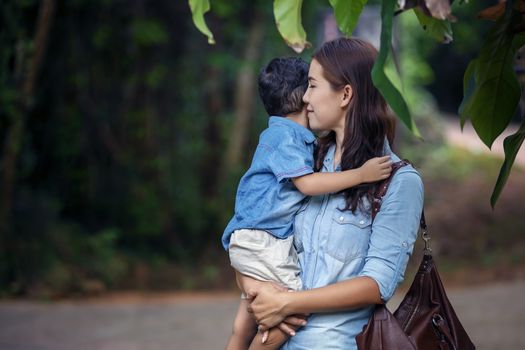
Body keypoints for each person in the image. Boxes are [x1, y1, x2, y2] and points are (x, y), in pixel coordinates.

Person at [246, 38, 424, 349]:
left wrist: (288, 303)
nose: (304, 97)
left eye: (312, 85)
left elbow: (377, 285)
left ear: (345, 94)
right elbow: (260, 234)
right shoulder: (305, 164)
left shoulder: (398, 181)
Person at [222, 57, 393, 350]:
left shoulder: (283, 135)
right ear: (304, 97)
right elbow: (308, 184)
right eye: (311, 86)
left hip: (252, 240)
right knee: (290, 308)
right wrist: (360, 175)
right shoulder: (285, 136)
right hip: (264, 241)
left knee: (243, 324)